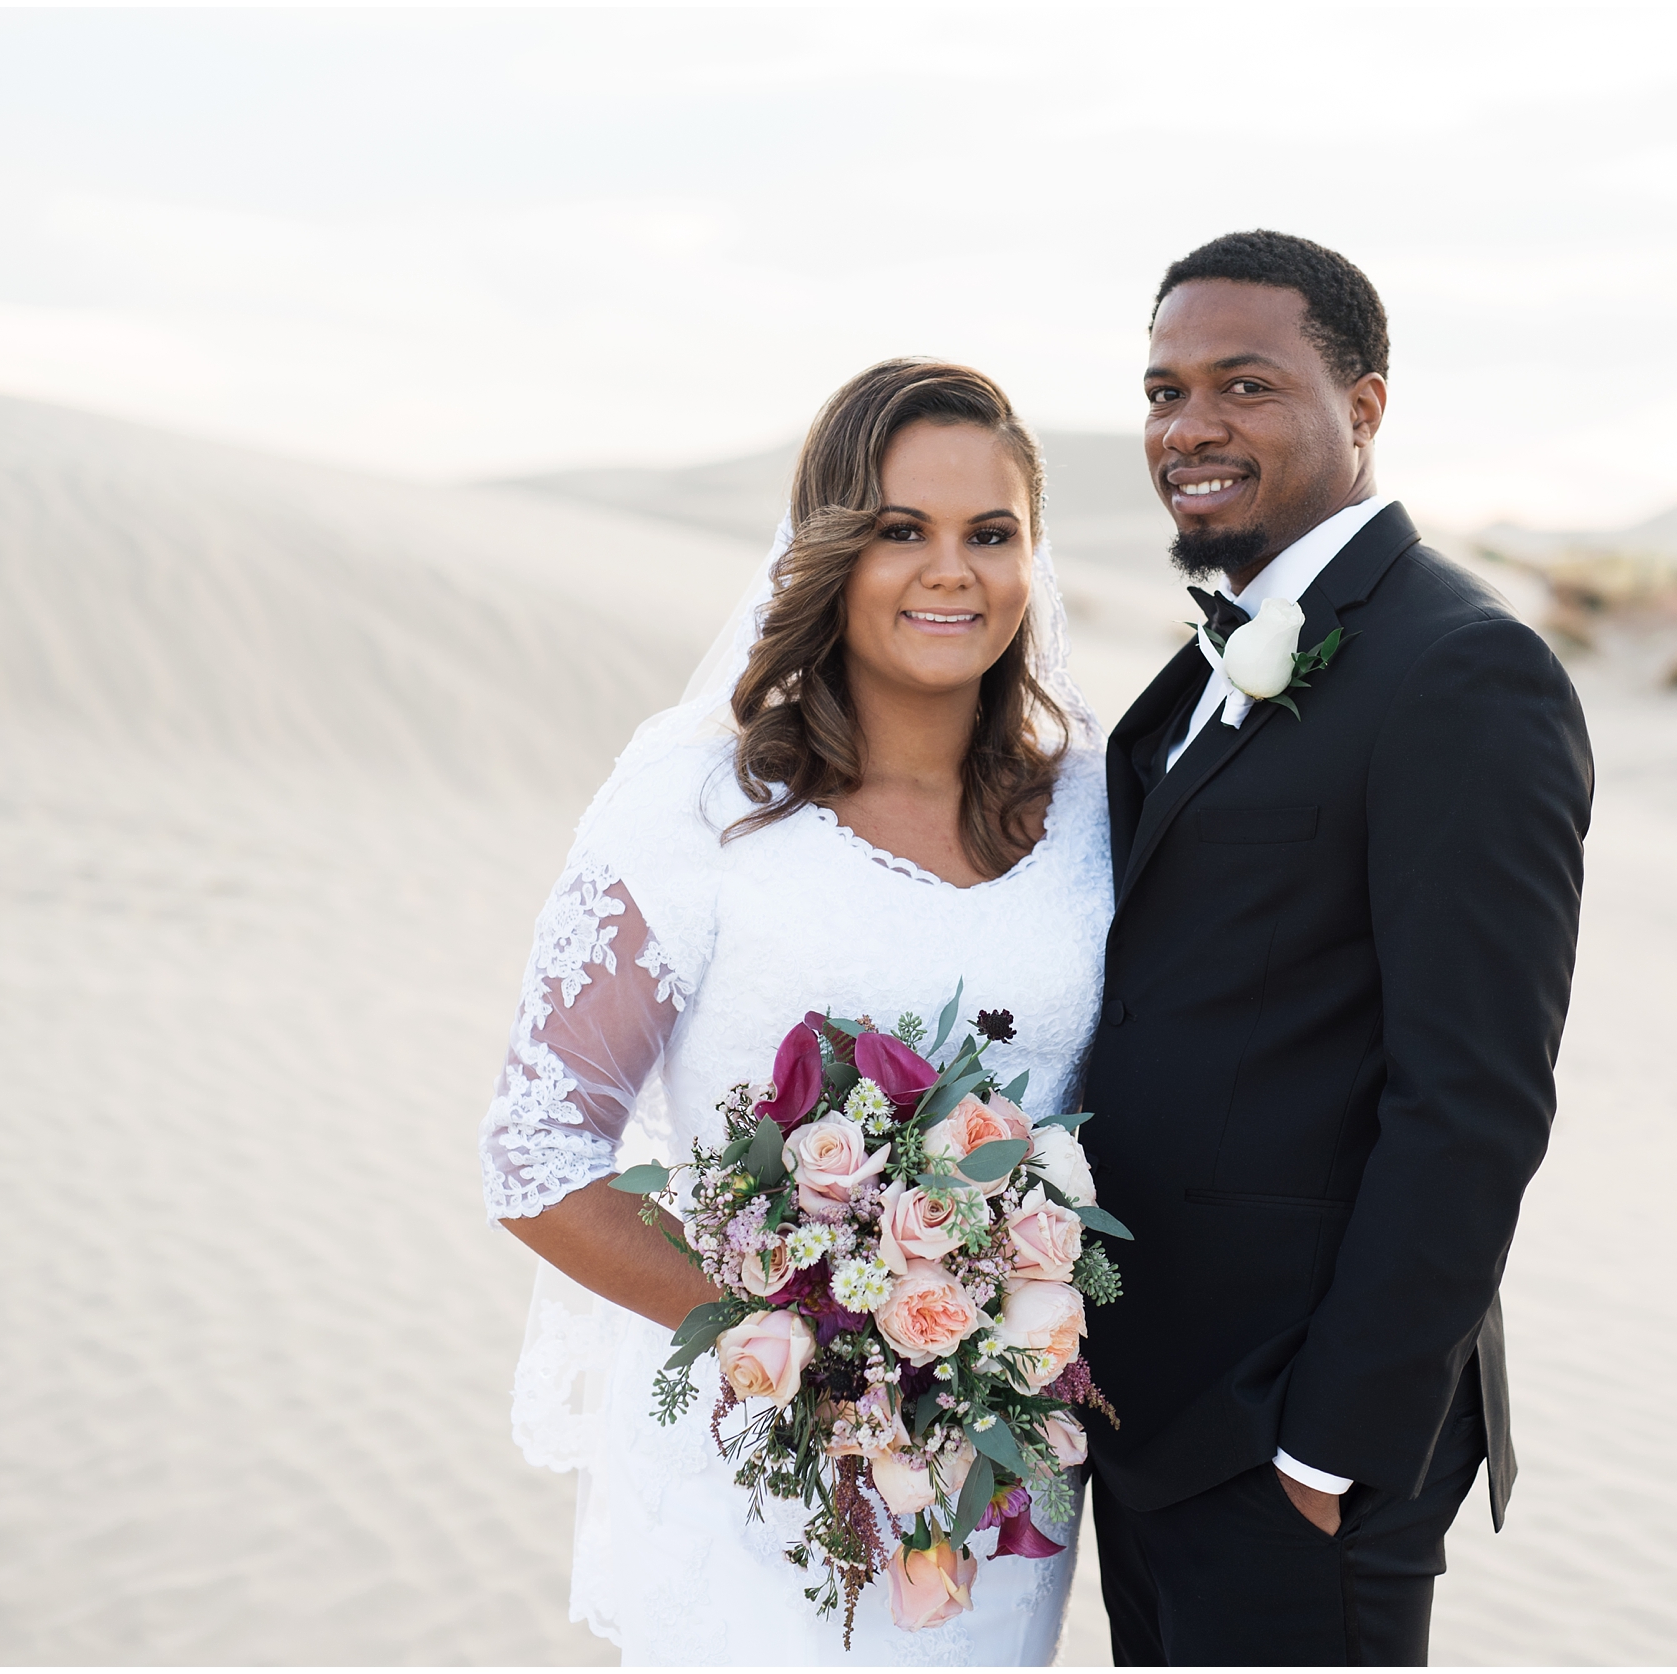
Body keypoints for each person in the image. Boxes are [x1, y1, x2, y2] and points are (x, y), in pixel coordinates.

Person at [476, 361, 1109, 1664]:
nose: (952, 570)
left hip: (996, 1502)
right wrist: (820, 1350)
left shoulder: (1095, 814)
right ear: (827, 551)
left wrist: (984, 1341)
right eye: (901, 531)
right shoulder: (702, 807)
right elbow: (535, 1157)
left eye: (990, 534)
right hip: (762, 1483)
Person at [1082, 230, 1594, 1664]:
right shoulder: (1208, 659)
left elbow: (1477, 1095)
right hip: (1155, 1414)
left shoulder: (1461, 670)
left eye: (1245, 385)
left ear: (1364, 407)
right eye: (1165, 389)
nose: (1190, 426)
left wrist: (1330, 1445)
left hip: (1290, 1438)